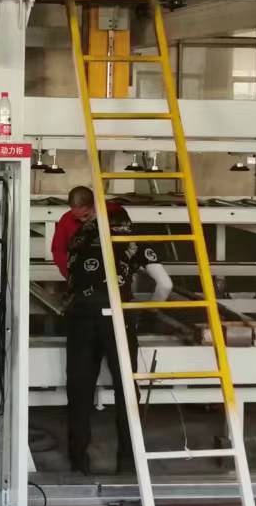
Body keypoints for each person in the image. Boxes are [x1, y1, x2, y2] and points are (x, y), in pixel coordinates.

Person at [57, 186, 173, 475]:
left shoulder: (78, 238)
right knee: (126, 390)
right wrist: (150, 311)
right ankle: (128, 461)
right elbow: (165, 285)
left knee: (79, 391)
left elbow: (69, 276)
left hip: (81, 318)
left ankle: (78, 462)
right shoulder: (131, 237)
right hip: (118, 317)